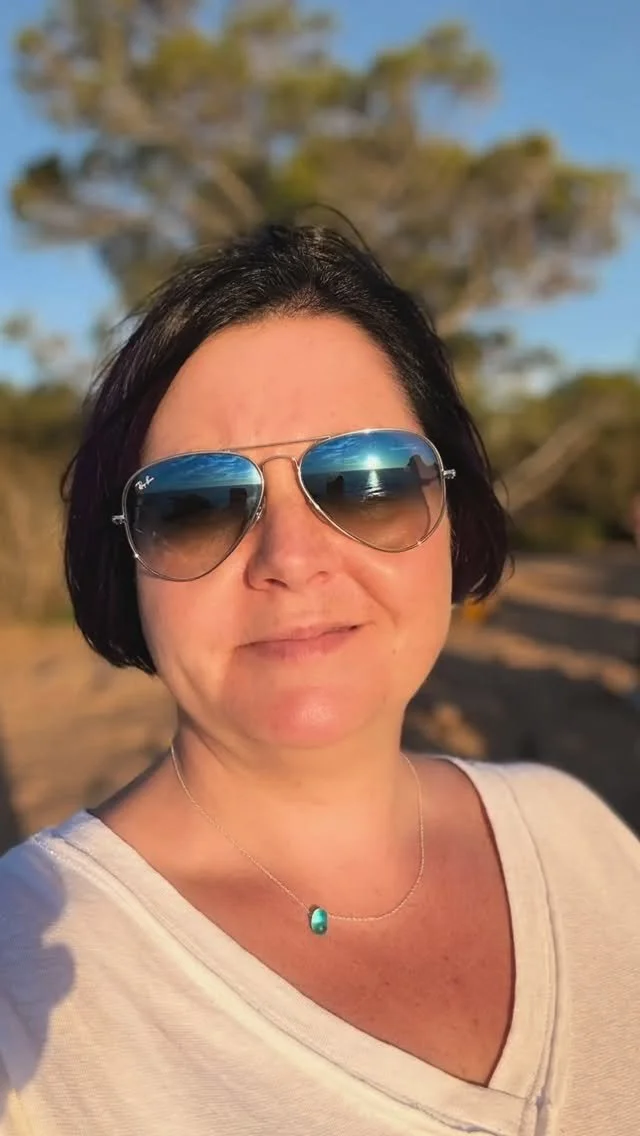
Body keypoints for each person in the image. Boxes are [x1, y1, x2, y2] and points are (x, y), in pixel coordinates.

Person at [1, 224, 639, 1136]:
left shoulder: (579, 836)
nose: (292, 560)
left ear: (452, 513)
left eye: (368, 479)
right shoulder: (26, 990)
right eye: (196, 504)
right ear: (125, 563)